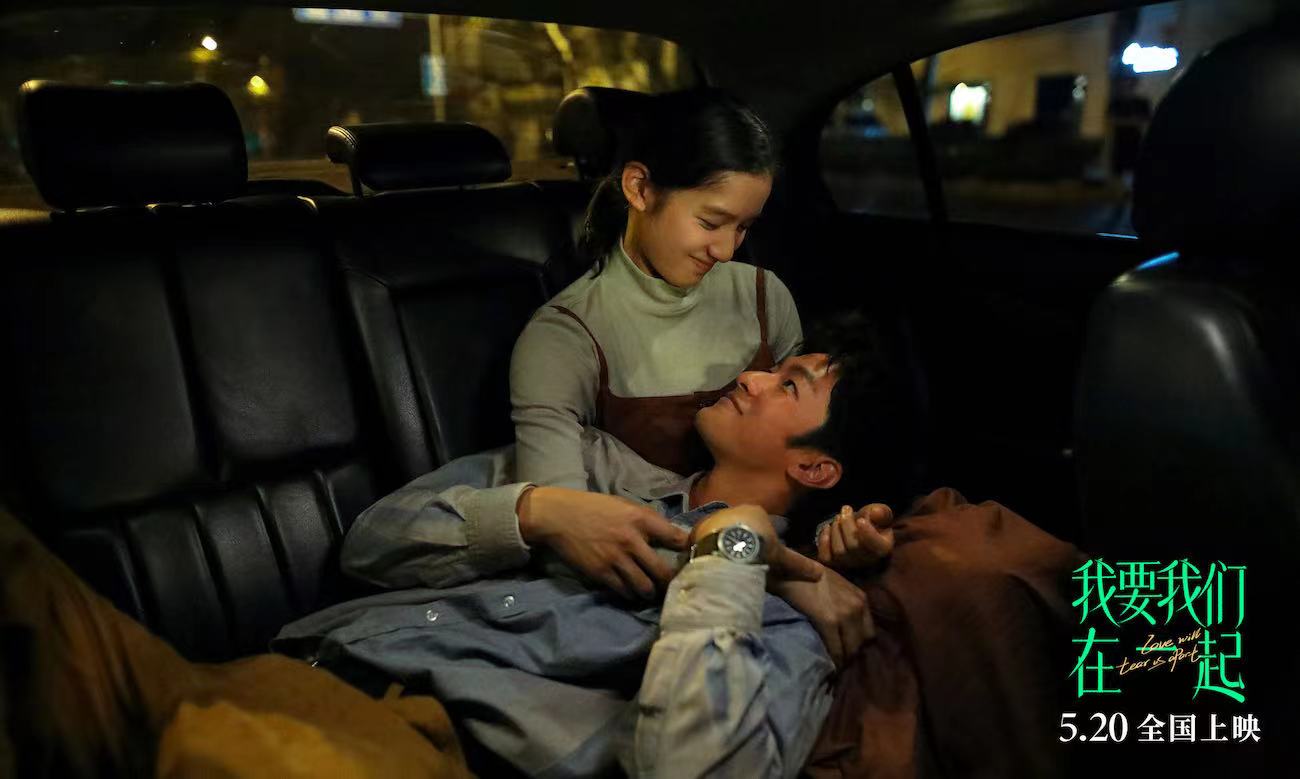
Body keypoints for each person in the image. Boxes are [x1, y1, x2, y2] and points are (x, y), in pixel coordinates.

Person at [277, 314, 912, 777]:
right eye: (771, 371)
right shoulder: (584, 460)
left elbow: (701, 767)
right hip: (296, 666)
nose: (750, 378)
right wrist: (538, 512)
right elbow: (369, 545)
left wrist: (733, 544)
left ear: (813, 468)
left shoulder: (790, 616)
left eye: (789, 386)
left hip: (410, 742)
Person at [510, 88, 892, 602]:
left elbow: (805, 452)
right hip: (653, 588)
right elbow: (568, 533)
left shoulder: (763, 296)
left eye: (744, 227)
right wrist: (776, 574)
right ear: (640, 188)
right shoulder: (565, 338)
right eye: (710, 222)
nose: (726, 250)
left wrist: (835, 535)